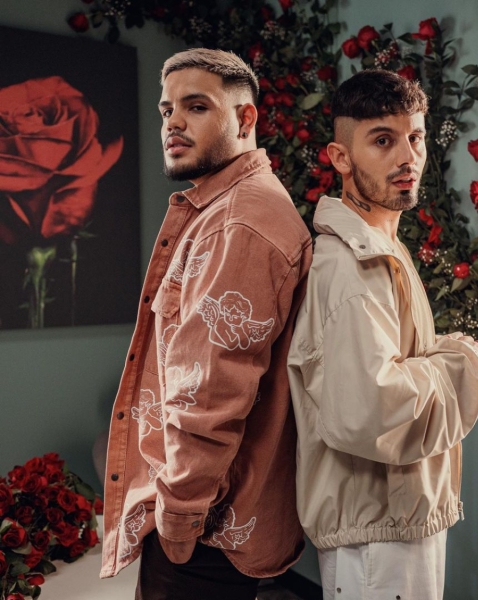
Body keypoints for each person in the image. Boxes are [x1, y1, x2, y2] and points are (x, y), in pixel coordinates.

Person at [100, 48, 312, 600]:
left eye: (196, 107)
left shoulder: (238, 224)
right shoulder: (227, 210)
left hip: (202, 534)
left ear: (245, 119)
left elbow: (210, 393)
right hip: (208, 523)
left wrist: (177, 523)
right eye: (166, 109)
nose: (173, 122)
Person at [287, 69, 478, 600]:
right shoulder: (351, 267)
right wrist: (463, 363)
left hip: (393, 521)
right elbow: (372, 409)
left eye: (415, 137)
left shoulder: (380, 247)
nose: (408, 157)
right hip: (377, 537)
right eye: (383, 140)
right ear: (340, 157)